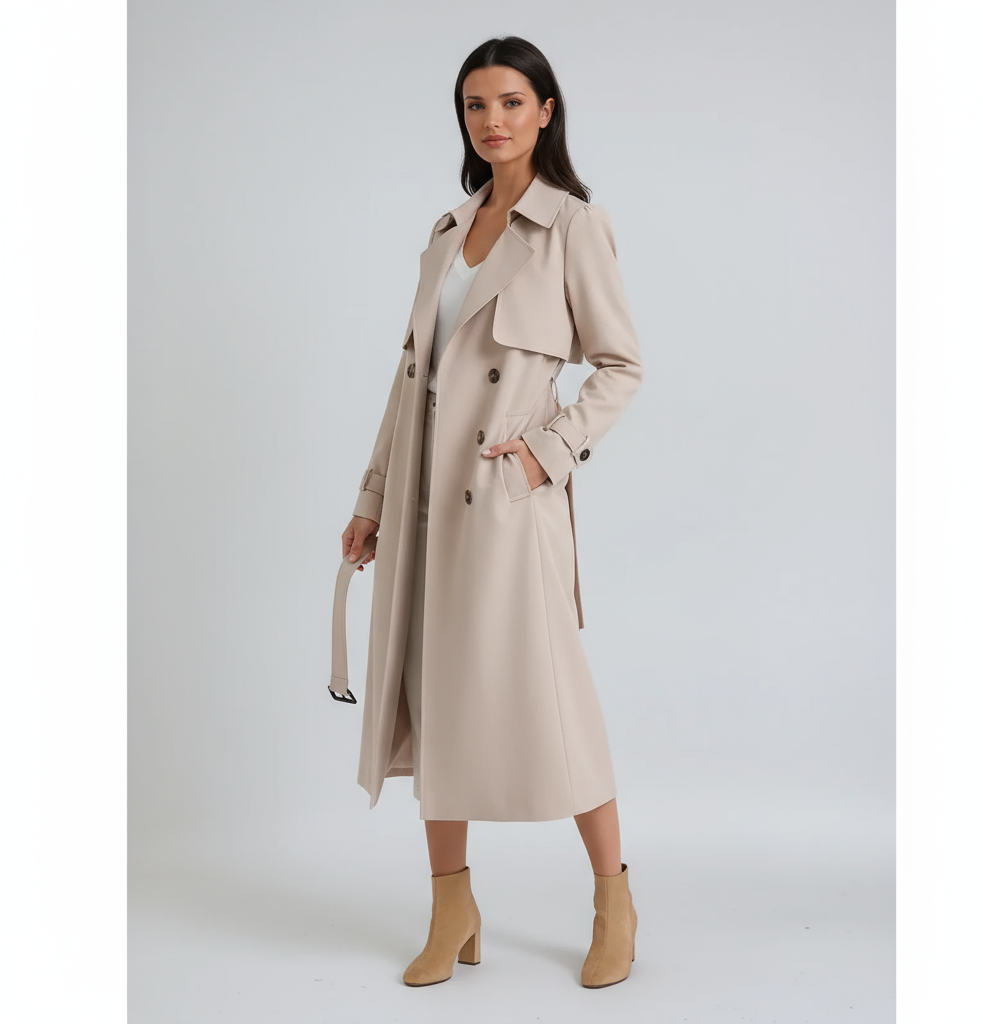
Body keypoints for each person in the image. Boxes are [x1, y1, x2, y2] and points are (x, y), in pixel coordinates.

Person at [340, 35, 643, 989]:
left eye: (512, 102)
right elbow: (411, 385)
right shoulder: (447, 232)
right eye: (476, 105)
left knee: (558, 705)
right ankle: (452, 908)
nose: (493, 120)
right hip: (426, 503)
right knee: (433, 700)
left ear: (546, 111)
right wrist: (373, 499)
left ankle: (615, 900)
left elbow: (621, 366)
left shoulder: (572, 226)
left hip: (510, 507)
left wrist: (548, 451)